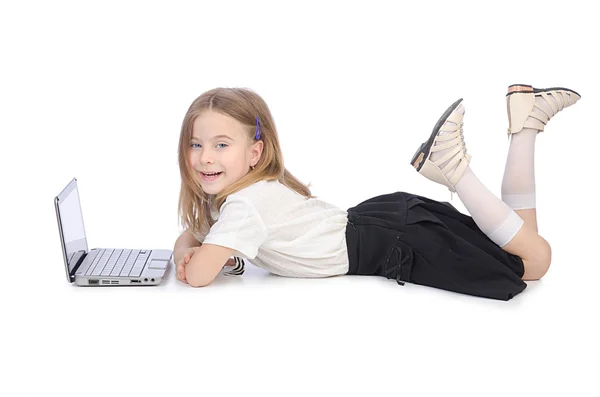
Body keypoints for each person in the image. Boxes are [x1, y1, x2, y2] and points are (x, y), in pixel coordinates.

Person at [172, 85, 580, 300]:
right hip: (383, 225)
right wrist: (196, 244)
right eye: (196, 144)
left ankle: (454, 170)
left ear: (255, 152)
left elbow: (201, 275)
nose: (205, 157)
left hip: (390, 243)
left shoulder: (244, 204)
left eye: (221, 145)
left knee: (534, 261)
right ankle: (526, 124)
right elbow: (207, 244)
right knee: (527, 246)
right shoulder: (245, 195)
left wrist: (188, 250)